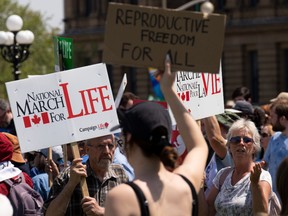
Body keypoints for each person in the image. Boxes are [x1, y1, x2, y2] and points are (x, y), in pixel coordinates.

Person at [104, 55, 208, 215]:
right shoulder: (186, 182)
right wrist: (168, 89)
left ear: (129, 138)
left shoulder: (122, 197)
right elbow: (199, 145)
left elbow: (198, 146)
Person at [44, 134, 129, 216]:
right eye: (100, 146)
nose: (107, 151)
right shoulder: (67, 175)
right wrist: (71, 184)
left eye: (110, 146)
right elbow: (50, 214)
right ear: (87, 149)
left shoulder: (120, 173)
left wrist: (102, 212)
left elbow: (131, 211)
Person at [206, 118, 272, 215]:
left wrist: (255, 183)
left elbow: (262, 212)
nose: (241, 143)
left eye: (247, 140)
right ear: (229, 146)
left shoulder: (262, 176)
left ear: (254, 147)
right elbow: (209, 208)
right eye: (236, 140)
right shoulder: (223, 175)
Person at [263, 98, 288, 195]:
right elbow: (265, 163)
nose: (270, 119)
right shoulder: (274, 138)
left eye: (273, 116)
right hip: (274, 198)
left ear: (282, 119)